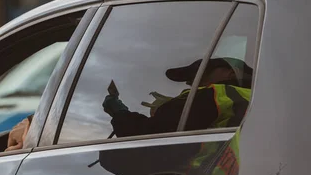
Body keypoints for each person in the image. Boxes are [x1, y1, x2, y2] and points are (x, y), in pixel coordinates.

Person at [103, 57, 253, 137]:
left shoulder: (213, 95)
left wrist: (119, 112)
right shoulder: (258, 99)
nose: (190, 82)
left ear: (231, 73)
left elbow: (148, 133)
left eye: (201, 72)